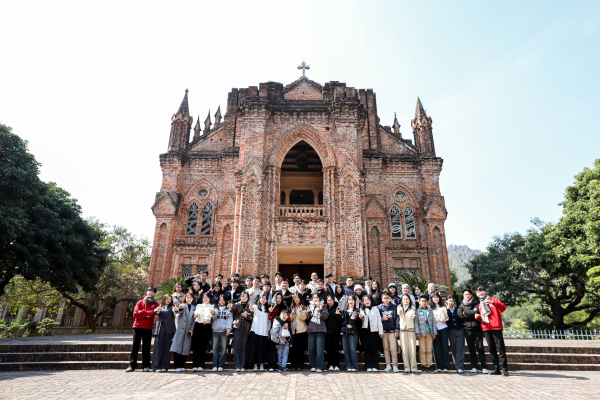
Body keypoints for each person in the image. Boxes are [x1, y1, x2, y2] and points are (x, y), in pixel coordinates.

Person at [476, 287, 509, 376]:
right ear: (477, 294)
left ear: (485, 291)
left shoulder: (493, 299)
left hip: (496, 327)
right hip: (486, 328)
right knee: (492, 349)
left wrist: (493, 303)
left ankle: (505, 369)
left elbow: (503, 308)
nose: (480, 293)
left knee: (501, 349)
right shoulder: (479, 304)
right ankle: (496, 369)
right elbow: (482, 318)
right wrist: (477, 317)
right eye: (478, 292)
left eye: (482, 291)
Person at [126, 287, 159, 372]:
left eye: (152, 291)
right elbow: (135, 314)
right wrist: (146, 314)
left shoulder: (155, 304)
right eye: (149, 291)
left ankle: (145, 365)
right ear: (146, 292)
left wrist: (142, 312)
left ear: (154, 293)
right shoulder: (140, 302)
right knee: (135, 347)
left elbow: (153, 313)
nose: (150, 293)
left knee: (146, 347)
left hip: (147, 327)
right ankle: (132, 365)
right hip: (137, 326)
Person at [457, 288, 488, 374]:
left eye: (468, 294)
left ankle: (484, 367)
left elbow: (477, 312)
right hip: (467, 330)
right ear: (463, 295)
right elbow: (460, 316)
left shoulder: (476, 303)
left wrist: (465, 312)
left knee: (480, 348)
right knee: (471, 349)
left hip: (477, 328)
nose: (467, 296)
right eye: (465, 294)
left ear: (471, 295)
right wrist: (472, 314)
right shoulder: (461, 305)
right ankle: (474, 366)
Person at [170, 292, 196, 372]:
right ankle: (177, 366)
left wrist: (192, 329)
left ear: (193, 299)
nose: (189, 299)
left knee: (185, 348)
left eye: (190, 298)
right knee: (178, 348)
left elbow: (194, 321)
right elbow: (178, 312)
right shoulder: (183, 306)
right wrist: (178, 309)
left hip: (188, 330)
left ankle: (182, 365)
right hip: (180, 330)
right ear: (185, 298)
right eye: (187, 298)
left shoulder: (194, 308)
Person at [247, 293, 272, 371]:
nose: (263, 300)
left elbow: (269, 322)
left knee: (262, 349)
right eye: (262, 298)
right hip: (255, 330)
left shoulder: (268, 309)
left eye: (265, 298)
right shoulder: (256, 307)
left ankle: (261, 364)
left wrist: (268, 331)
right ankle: (255, 365)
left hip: (264, 331)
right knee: (255, 348)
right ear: (259, 299)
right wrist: (251, 308)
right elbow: (251, 309)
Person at [151, 293, 176, 372]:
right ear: (164, 299)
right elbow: (156, 312)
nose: (168, 300)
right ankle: (156, 366)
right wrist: (157, 310)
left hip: (168, 330)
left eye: (170, 299)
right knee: (157, 347)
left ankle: (164, 366)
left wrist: (176, 310)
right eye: (167, 298)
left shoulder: (172, 308)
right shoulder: (160, 307)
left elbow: (176, 312)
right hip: (160, 329)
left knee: (166, 348)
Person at [229, 291, 253, 371]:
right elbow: (232, 309)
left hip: (246, 327)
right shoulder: (237, 304)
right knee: (237, 347)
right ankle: (237, 365)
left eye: (246, 297)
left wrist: (247, 316)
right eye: (243, 296)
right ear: (240, 297)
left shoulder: (249, 306)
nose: (244, 298)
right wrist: (231, 307)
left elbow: (251, 317)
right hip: (237, 327)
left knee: (244, 347)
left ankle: (243, 365)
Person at [306, 292, 329, 372]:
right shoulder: (310, 306)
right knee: (311, 349)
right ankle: (312, 366)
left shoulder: (324, 306)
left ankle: (319, 367)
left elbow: (325, 317)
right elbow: (308, 318)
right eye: (314, 297)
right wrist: (308, 312)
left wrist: (321, 310)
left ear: (319, 298)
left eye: (317, 297)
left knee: (319, 350)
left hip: (320, 330)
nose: (315, 299)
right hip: (311, 330)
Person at [359, 295, 383, 372]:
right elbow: (360, 320)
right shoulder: (362, 310)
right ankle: (368, 366)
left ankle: (375, 366)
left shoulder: (375, 309)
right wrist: (361, 317)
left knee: (374, 349)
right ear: (363, 302)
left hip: (374, 331)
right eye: (365, 300)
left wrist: (380, 331)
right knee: (367, 349)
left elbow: (379, 320)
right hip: (365, 331)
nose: (367, 301)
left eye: (368, 299)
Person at [191, 293, 214, 371]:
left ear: (210, 298)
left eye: (207, 297)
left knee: (203, 346)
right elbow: (197, 312)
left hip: (206, 326)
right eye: (204, 297)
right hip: (198, 325)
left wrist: (206, 319)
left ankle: (201, 365)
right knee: (196, 346)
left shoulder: (212, 306)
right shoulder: (198, 305)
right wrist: (196, 314)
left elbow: (210, 314)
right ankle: (195, 365)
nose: (205, 299)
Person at [415, 295, 437, 373]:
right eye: (422, 301)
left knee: (429, 350)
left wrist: (434, 333)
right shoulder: (417, 311)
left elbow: (433, 323)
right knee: (422, 350)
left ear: (427, 302)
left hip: (429, 333)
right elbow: (416, 323)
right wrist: (417, 333)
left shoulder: (430, 311)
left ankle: (429, 365)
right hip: (421, 333)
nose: (424, 302)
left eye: (425, 301)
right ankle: (423, 365)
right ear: (419, 302)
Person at [378, 291, 399, 372]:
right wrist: (383, 319)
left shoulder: (394, 307)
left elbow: (397, 319)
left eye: (387, 298)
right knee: (386, 348)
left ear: (390, 298)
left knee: (393, 349)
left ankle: (395, 365)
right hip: (383, 331)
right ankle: (388, 365)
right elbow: (377, 318)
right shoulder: (380, 307)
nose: (386, 299)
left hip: (392, 331)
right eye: (384, 298)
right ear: (382, 299)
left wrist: (397, 330)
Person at [211, 294, 232, 372]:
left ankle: (221, 365)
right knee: (215, 348)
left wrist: (228, 329)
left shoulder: (228, 310)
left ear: (226, 301)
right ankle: (215, 365)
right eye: (220, 300)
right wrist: (213, 313)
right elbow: (213, 317)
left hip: (224, 331)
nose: (222, 301)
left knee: (223, 349)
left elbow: (229, 320)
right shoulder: (215, 309)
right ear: (218, 301)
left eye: (223, 300)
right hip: (215, 331)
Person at [339, 294, 361, 372]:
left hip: (353, 332)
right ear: (347, 301)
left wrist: (352, 320)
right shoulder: (344, 311)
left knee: (352, 349)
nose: (351, 301)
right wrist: (346, 324)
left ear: (355, 301)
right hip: (345, 332)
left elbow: (356, 319)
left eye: (352, 300)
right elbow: (341, 321)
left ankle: (354, 366)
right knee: (345, 349)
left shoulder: (357, 311)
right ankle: (348, 366)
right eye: (349, 300)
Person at [430, 292, 450, 372]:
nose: (436, 299)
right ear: (431, 299)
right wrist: (439, 320)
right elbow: (430, 318)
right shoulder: (429, 307)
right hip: (435, 329)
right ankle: (438, 366)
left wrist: (445, 318)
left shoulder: (443, 307)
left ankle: (446, 366)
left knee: (445, 347)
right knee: (436, 348)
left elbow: (446, 318)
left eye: (437, 297)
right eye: (434, 297)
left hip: (443, 328)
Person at [398, 293, 417, 373]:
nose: (405, 300)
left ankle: (413, 368)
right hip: (402, 329)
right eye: (404, 299)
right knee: (404, 349)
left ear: (410, 300)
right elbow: (399, 313)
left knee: (412, 349)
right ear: (402, 300)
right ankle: (406, 367)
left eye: (407, 299)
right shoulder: (399, 307)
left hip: (411, 329)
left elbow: (411, 313)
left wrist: (411, 315)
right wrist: (401, 312)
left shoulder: (412, 307)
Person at [445, 295, 465, 374]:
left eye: (452, 301)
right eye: (449, 301)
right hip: (450, 331)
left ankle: (460, 367)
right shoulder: (445, 310)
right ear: (446, 302)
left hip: (459, 330)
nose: (451, 302)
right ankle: (457, 364)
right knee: (454, 348)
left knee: (460, 348)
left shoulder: (457, 309)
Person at [289, 294, 308, 371]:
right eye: (295, 298)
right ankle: (293, 365)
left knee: (300, 349)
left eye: (298, 298)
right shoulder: (290, 308)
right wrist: (292, 314)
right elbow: (288, 319)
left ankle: (300, 365)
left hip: (301, 330)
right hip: (293, 331)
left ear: (300, 299)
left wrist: (300, 312)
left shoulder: (303, 307)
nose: (296, 299)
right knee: (293, 349)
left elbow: (304, 318)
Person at [324, 295, 342, 371]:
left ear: (333, 301)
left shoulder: (337, 308)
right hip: (327, 331)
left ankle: (336, 365)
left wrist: (337, 315)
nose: (330, 302)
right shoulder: (325, 308)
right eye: (328, 300)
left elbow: (341, 320)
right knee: (329, 349)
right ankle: (330, 365)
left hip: (335, 331)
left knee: (335, 348)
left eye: (331, 300)